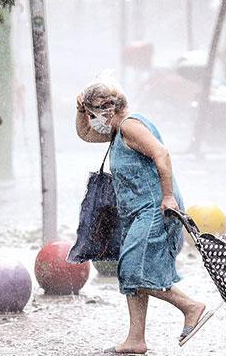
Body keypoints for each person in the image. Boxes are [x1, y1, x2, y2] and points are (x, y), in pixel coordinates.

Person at [75, 81, 212, 354]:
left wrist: (169, 197)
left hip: (154, 208)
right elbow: (86, 135)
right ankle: (136, 339)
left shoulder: (129, 126)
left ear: (107, 110)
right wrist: (80, 110)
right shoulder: (116, 130)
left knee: (132, 269)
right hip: (136, 212)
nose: (93, 121)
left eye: (93, 114)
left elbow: (162, 154)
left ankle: (191, 306)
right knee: (131, 275)